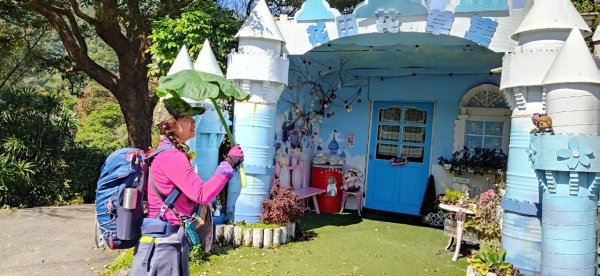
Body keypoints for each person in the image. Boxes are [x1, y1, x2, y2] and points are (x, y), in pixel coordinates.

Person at [131, 98, 243, 276]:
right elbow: (202, 194)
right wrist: (228, 164)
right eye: (188, 118)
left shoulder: (162, 153)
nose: (193, 122)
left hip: (162, 241)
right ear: (172, 123)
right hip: (164, 246)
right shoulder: (172, 157)